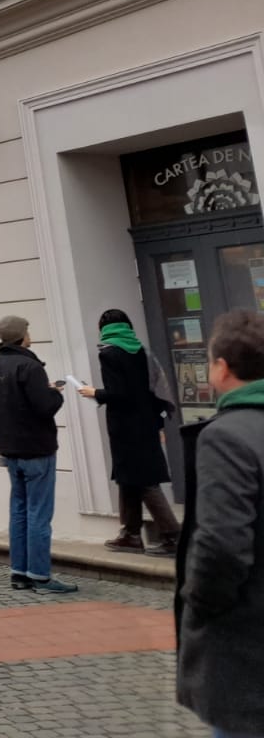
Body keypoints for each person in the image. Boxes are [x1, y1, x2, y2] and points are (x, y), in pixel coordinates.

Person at [176, 309, 264, 737]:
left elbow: (221, 544)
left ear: (221, 368)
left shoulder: (227, 436)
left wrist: (199, 602)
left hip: (248, 644)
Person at [0, 315, 76, 593]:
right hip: (36, 447)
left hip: (9, 448)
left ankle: (19, 573)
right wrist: (55, 393)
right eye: (28, 332)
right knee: (38, 514)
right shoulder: (30, 366)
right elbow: (45, 407)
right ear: (22, 336)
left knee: (19, 511)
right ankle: (40, 576)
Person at [78, 309, 180, 556]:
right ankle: (130, 534)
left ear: (103, 329)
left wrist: (94, 393)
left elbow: (120, 393)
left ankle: (173, 536)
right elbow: (152, 391)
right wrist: (158, 425)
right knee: (128, 478)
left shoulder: (109, 353)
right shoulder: (142, 351)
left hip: (126, 427)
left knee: (145, 482)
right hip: (146, 423)